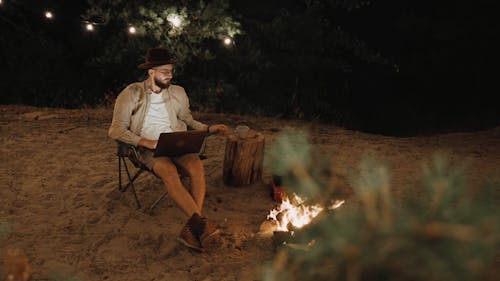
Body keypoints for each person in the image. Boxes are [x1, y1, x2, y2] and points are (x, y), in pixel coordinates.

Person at [108, 47, 228, 251]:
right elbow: (116, 130)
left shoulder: (178, 92)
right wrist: (146, 142)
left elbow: (188, 120)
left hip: (176, 142)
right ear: (151, 72)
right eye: (165, 71)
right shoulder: (131, 93)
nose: (169, 75)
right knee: (169, 170)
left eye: (171, 71)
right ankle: (200, 226)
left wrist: (208, 129)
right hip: (147, 148)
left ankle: (194, 227)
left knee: (197, 167)